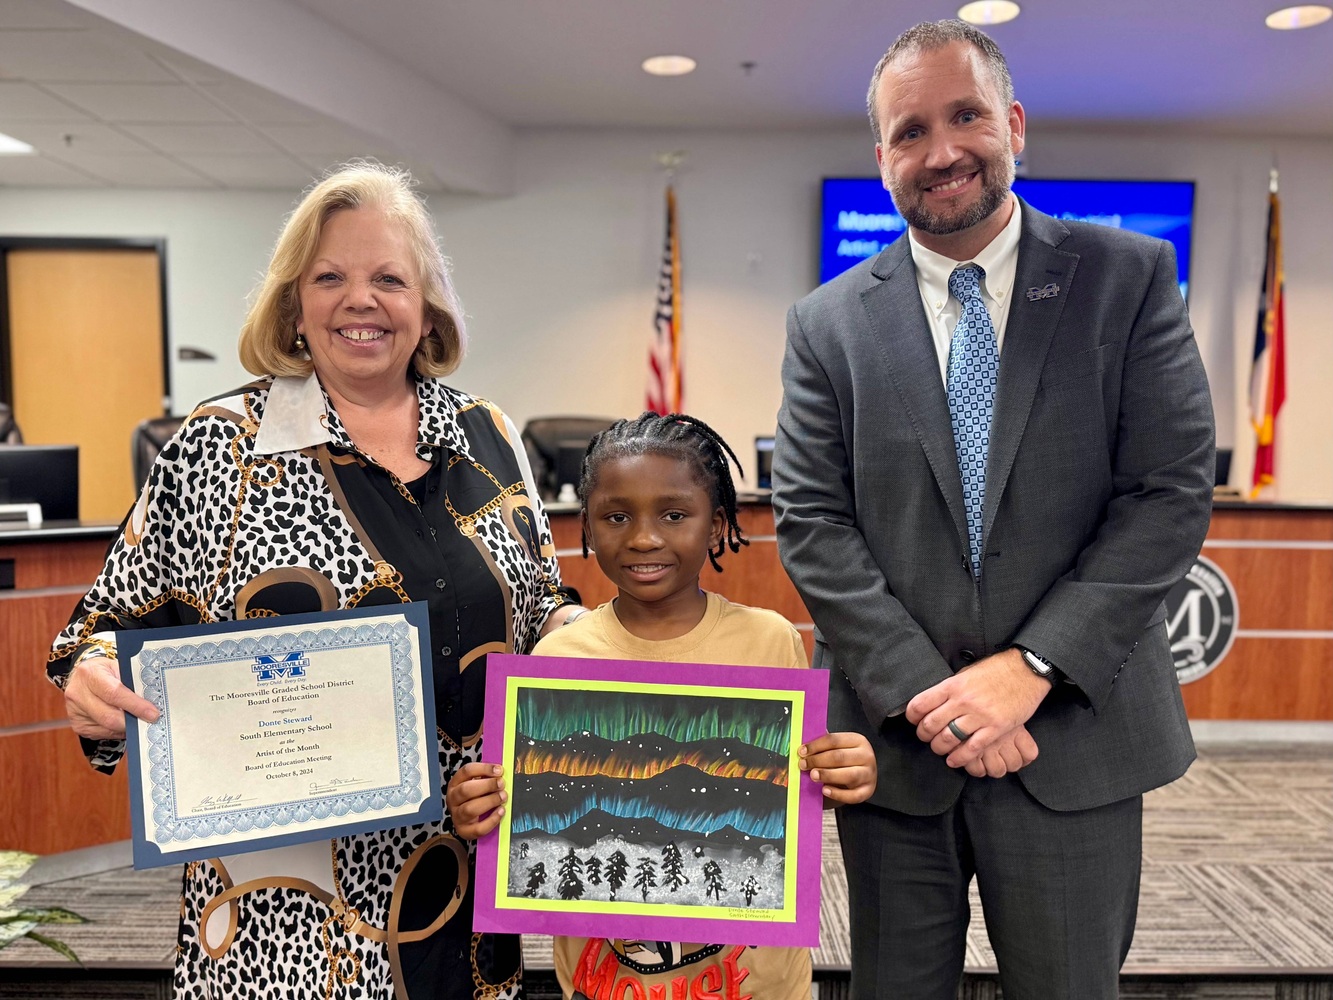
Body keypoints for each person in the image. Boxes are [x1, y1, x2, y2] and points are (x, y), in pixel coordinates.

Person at [48, 162, 585, 1000]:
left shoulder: (490, 436)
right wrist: (94, 678)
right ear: (293, 304)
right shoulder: (216, 448)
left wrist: (569, 636)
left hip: (471, 883)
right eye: (329, 277)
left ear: (426, 306)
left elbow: (544, 599)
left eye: (388, 279)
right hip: (288, 913)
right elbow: (105, 629)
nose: (360, 300)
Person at [771, 20, 1215, 1000]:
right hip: (898, 747)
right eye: (909, 130)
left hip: (1075, 736)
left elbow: (1167, 494)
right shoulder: (826, 323)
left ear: (1012, 123)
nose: (940, 151)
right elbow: (812, 522)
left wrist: (1028, 670)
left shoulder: (1125, 279)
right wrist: (938, 698)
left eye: (964, 114)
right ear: (880, 158)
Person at [447, 413, 878, 1000]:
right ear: (587, 531)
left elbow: (800, 790)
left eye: (674, 515)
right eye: (616, 517)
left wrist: (844, 769)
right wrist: (483, 809)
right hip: (608, 984)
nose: (644, 538)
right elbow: (525, 823)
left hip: (755, 984)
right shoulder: (558, 656)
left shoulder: (771, 641)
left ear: (717, 524)